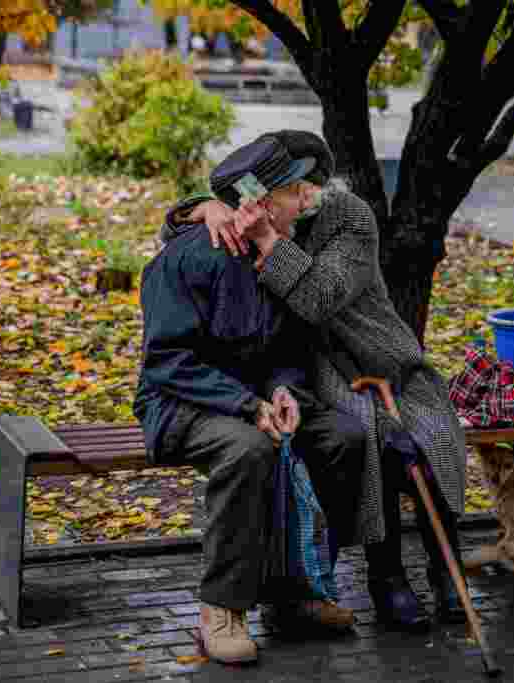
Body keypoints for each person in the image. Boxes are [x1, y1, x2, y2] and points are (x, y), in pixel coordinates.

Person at [161, 131, 468, 631]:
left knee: (431, 436)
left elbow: (321, 297)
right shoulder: (259, 214)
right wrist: (202, 209)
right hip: (320, 370)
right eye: (294, 187)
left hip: (384, 357)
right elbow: (182, 233)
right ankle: (386, 578)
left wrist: (265, 240)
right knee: (376, 442)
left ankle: (448, 574)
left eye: (310, 184)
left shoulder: (347, 216)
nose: (305, 195)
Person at [133, 137, 367, 665]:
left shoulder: (277, 254)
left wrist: (284, 390)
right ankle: (222, 607)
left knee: (342, 438)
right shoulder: (189, 259)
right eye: (294, 192)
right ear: (257, 202)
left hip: (253, 401)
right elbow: (166, 362)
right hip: (180, 403)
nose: (307, 201)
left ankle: (299, 593)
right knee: (248, 451)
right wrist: (246, 405)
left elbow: (287, 351)